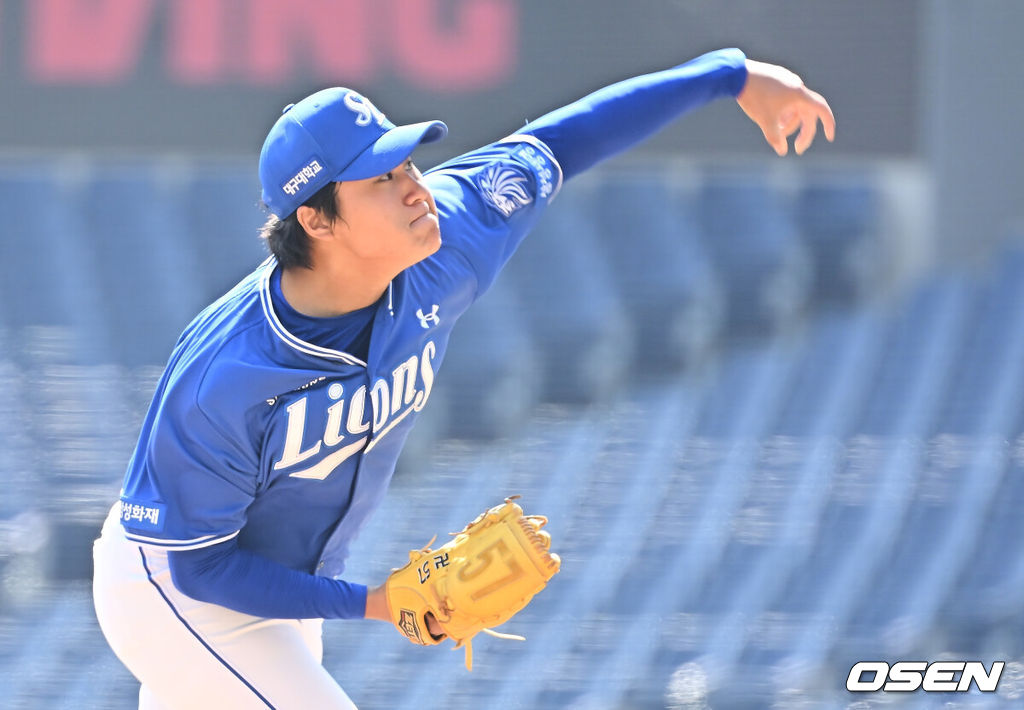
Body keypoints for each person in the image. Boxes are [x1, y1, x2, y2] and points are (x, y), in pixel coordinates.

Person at [92, 47, 834, 709]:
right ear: (317, 222)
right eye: (381, 179)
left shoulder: (451, 233)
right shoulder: (227, 373)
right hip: (174, 590)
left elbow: (558, 142)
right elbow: (200, 571)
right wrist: (375, 604)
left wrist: (726, 76)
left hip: (283, 594)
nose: (416, 187)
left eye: (408, 163)